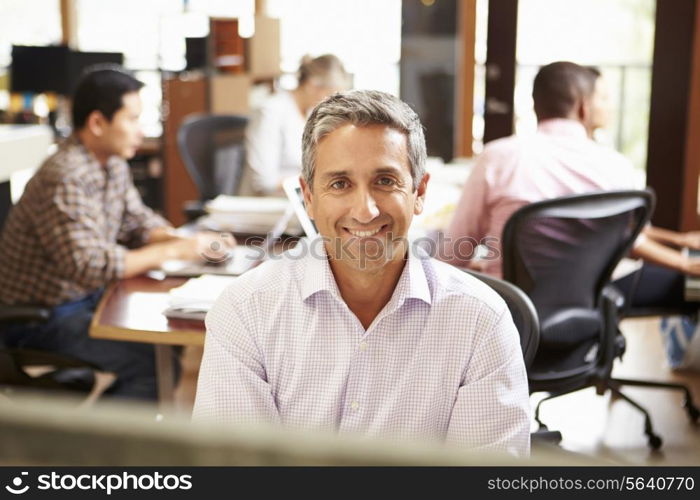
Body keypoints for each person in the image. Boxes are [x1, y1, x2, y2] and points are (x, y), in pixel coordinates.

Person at [193, 90, 530, 456]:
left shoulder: (481, 320)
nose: (365, 210)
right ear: (308, 196)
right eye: (340, 184)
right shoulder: (246, 311)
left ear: (419, 191)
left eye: (385, 181)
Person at [0, 67, 231, 400]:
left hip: (87, 299)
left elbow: (137, 221)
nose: (140, 131)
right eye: (133, 119)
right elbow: (90, 265)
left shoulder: (112, 163)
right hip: (43, 317)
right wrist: (178, 251)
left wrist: (184, 241)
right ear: (97, 123)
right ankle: (97, 451)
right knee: (151, 366)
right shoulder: (66, 176)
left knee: (168, 345)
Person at [442, 61, 700, 314]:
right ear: (583, 108)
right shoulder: (617, 167)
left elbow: (454, 252)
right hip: (586, 315)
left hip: (509, 317)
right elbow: (632, 240)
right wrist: (686, 261)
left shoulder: (498, 157)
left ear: (536, 106)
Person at [238, 54, 350, 196]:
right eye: (331, 94)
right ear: (312, 86)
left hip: (301, 199)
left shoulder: (313, 114)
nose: (334, 103)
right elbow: (264, 183)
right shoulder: (270, 111)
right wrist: (320, 180)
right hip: (266, 204)